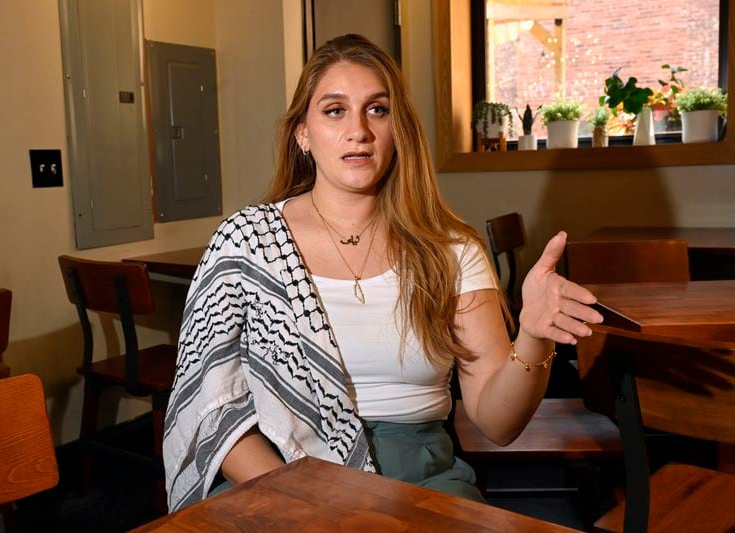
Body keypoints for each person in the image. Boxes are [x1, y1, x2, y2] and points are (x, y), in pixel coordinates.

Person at [162, 33, 603, 512]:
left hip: (419, 475)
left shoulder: (451, 250)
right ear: (303, 133)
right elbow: (213, 410)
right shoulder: (245, 243)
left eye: (377, 109)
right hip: (276, 471)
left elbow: (499, 424)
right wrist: (305, 503)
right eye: (334, 110)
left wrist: (534, 337)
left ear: (399, 129)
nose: (359, 131)